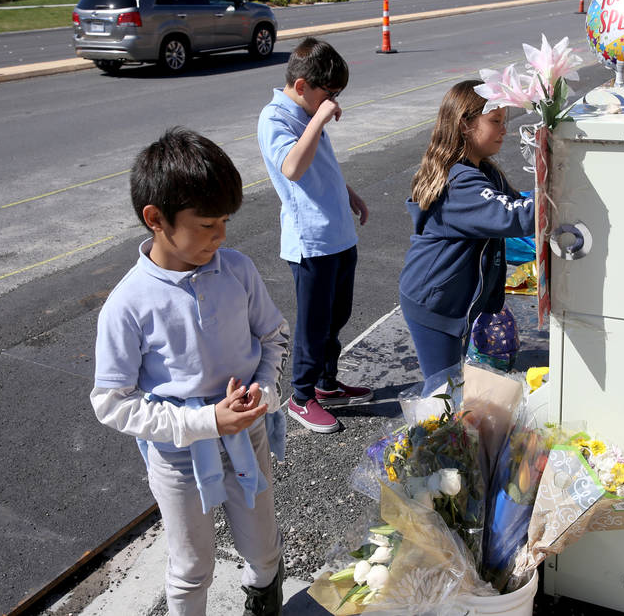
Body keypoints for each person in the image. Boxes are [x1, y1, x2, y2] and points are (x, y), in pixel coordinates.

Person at [91, 128, 289, 616]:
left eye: (225, 221)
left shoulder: (237, 270)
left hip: (249, 434)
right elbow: (111, 402)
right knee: (190, 568)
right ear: (155, 219)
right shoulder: (128, 304)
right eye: (206, 225)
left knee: (263, 548)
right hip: (178, 459)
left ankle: (264, 592)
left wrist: (263, 390)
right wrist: (203, 423)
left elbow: (274, 335)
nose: (220, 236)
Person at [257, 37, 373, 433]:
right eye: (330, 93)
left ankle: (325, 383)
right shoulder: (275, 119)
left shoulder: (308, 113)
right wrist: (320, 118)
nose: (335, 102)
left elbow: (322, 166)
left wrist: (349, 193)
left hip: (338, 234)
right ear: (303, 85)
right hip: (312, 242)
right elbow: (292, 167)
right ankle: (301, 397)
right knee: (313, 324)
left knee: (336, 318)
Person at [399, 80, 536, 392]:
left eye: (505, 121)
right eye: (496, 121)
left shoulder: (484, 172)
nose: (504, 130)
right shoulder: (460, 183)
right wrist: (557, 188)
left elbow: (515, 203)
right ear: (465, 124)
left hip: (448, 298)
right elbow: (514, 217)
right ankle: (426, 438)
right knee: (441, 393)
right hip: (433, 302)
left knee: (451, 385)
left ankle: (442, 433)